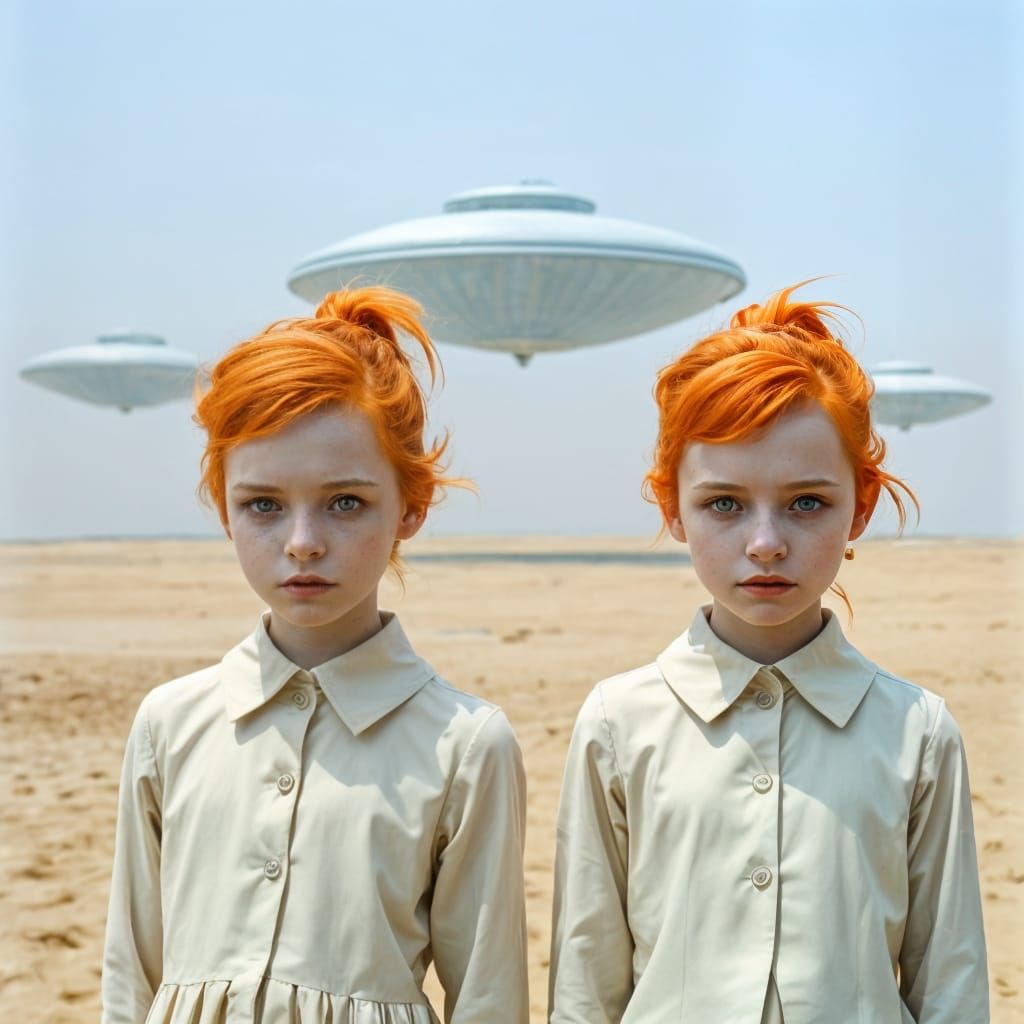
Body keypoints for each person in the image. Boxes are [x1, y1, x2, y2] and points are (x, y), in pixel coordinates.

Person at [548, 284, 989, 1023]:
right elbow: (584, 983)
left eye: (807, 503)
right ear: (672, 510)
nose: (765, 544)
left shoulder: (918, 732)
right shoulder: (618, 724)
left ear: (863, 505)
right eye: (723, 504)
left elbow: (950, 982)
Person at [102, 287, 529, 1024]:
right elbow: (130, 972)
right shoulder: (169, 722)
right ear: (224, 507)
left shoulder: (466, 745)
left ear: (411, 508)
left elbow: (488, 996)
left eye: (345, 503)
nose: (302, 541)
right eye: (262, 504)